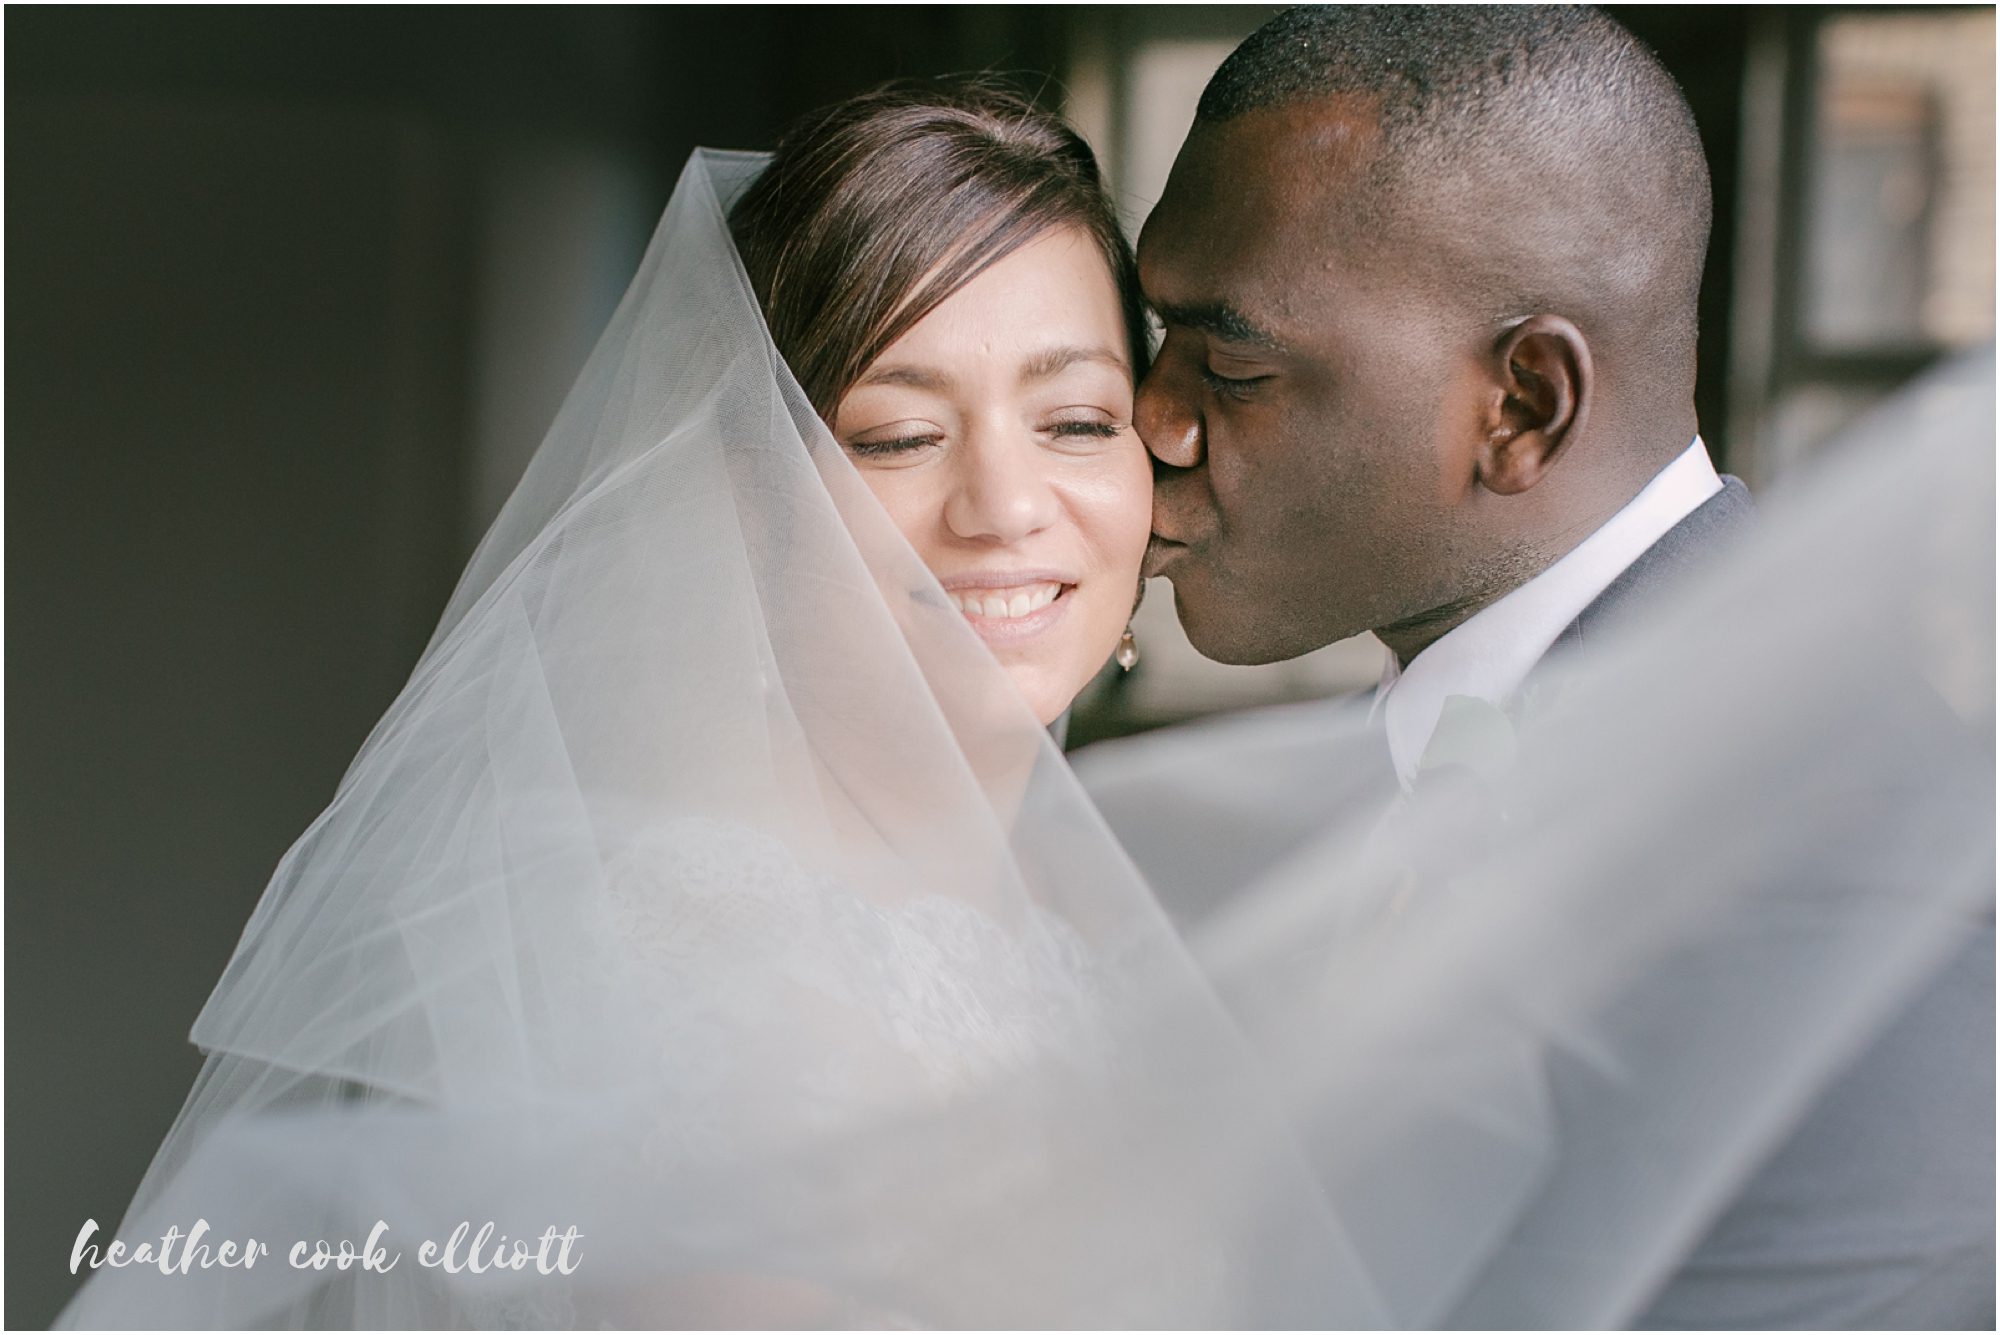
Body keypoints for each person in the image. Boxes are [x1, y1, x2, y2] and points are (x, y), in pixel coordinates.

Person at [56, 69, 1991, 1331]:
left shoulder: (1165, 911)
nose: (1041, 490)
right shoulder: (641, 952)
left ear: (1524, 402)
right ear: (739, 505)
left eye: (1091, 406)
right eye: (896, 432)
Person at [1095, 6, 1993, 1327]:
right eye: (1158, 339)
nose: (1152, 419)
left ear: (1523, 407)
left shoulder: (1850, 861)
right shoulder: (1382, 765)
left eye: (1231, 364)